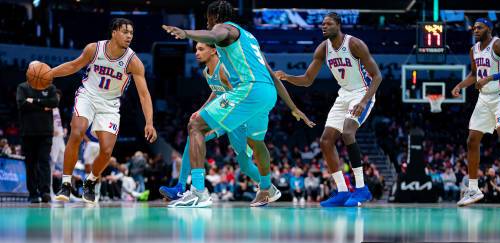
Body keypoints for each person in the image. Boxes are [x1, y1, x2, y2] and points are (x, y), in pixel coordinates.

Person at [162, 0, 314, 207]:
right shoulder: (250, 38)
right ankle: (266, 188)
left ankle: (198, 191)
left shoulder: (223, 28)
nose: (208, 23)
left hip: (248, 90)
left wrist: (187, 33)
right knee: (256, 143)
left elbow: (214, 36)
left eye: (208, 18)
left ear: (214, 16)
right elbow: (273, 76)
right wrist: (294, 108)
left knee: (195, 125)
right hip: (267, 94)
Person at [275, 12, 382, 207]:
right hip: (344, 94)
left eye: (328, 23)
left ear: (338, 25)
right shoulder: (323, 49)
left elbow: (377, 76)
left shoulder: (354, 44)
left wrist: (364, 101)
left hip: (362, 92)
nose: (324, 26)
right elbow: (307, 80)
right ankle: (342, 191)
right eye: (322, 24)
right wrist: (287, 76)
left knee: (348, 132)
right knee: (325, 141)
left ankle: (361, 188)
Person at [51, 18, 157, 204]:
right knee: (76, 132)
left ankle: (90, 181)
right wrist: (51, 73)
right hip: (88, 96)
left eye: (131, 33)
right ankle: (66, 183)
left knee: (107, 151)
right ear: (114, 32)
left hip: (110, 104)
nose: (129, 36)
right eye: (125, 32)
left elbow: (144, 94)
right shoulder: (94, 49)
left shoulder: (134, 62)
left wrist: (149, 122)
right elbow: (74, 65)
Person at [159, 42, 263, 204]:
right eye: (196, 49)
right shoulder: (207, 72)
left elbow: (239, 97)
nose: (196, 53)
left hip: (239, 121)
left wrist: (219, 125)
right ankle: (181, 187)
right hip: (225, 117)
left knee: (245, 165)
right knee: (193, 136)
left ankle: (267, 185)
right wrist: (201, 110)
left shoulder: (224, 69)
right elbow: (217, 91)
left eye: (201, 49)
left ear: (214, 50)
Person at [451, 18, 500, 207]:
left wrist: (491, 78)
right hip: (484, 98)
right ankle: (473, 189)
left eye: (480, 27)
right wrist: (460, 85)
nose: (475, 30)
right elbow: (475, 74)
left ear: (489, 29)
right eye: (474, 27)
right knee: (471, 140)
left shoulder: (499, 45)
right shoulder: (473, 50)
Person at [16, 70, 59, 203]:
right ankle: (33, 194)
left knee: (44, 162)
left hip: (46, 132)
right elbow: (21, 104)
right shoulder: (22, 87)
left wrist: (34, 101)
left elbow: (54, 102)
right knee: (31, 164)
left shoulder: (50, 87)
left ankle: (45, 192)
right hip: (28, 132)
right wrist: (43, 105)